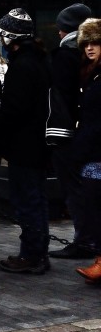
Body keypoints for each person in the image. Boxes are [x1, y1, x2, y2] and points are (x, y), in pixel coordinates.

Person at [0, 8, 51, 275]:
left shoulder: (21, 66)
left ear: (9, 38)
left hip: (24, 144)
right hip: (39, 142)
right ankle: (37, 251)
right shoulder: (40, 60)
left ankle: (32, 255)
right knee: (36, 198)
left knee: (26, 200)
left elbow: (13, 110)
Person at [49, 3, 95, 260]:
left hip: (71, 133)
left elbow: (62, 96)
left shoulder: (65, 55)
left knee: (77, 188)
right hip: (84, 132)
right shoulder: (81, 56)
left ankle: (85, 240)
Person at [72, 18, 101, 283]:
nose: (90, 48)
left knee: (96, 203)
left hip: (97, 152)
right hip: (92, 151)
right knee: (93, 203)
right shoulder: (91, 73)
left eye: (95, 43)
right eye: (86, 43)